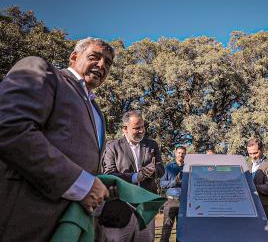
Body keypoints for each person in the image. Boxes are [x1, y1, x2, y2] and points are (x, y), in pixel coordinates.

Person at [0, 37, 114, 241]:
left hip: (71, 224)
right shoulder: (42, 71)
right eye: (94, 57)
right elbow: (10, 128)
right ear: (74, 56)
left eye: (108, 62)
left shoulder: (97, 110)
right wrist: (81, 184)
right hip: (26, 220)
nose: (101, 65)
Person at [101, 110, 165, 242]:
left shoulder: (152, 145)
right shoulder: (112, 147)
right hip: (119, 209)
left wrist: (153, 171)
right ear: (125, 128)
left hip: (146, 211)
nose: (141, 131)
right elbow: (109, 174)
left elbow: (161, 169)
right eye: (137, 128)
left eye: (143, 127)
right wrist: (136, 177)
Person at [247, 138, 268, 242]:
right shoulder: (247, 166)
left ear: (261, 150)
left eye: (255, 152)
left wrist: (252, 186)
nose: (253, 156)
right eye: (250, 153)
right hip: (252, 212)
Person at [160, 146, 186, 242]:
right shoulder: (168, 167)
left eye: (183, 153)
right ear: (175, 153)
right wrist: (174, 182)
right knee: (166, 230)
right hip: (171, 201)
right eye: (179, 152)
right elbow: (162, 184)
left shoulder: (188, 168)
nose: (181, 155)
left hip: (184, 203)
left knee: (181, 231)